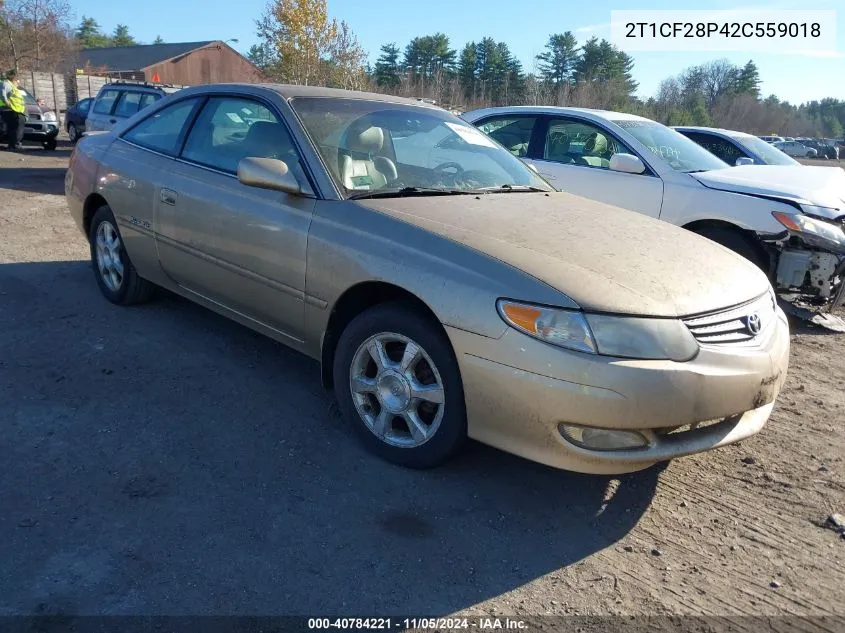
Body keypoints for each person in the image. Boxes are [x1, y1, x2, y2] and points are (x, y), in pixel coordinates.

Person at [1, 69, 27, 150]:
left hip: (16, 110)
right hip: (13, 110)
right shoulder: (6, 84)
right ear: (13, 78)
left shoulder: (12, 86)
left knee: (12, 129)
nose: (18, 81)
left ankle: (12, 145)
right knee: (17, 129)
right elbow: (3, 95)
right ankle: (16, 145)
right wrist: (8, 104)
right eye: (17, 79)